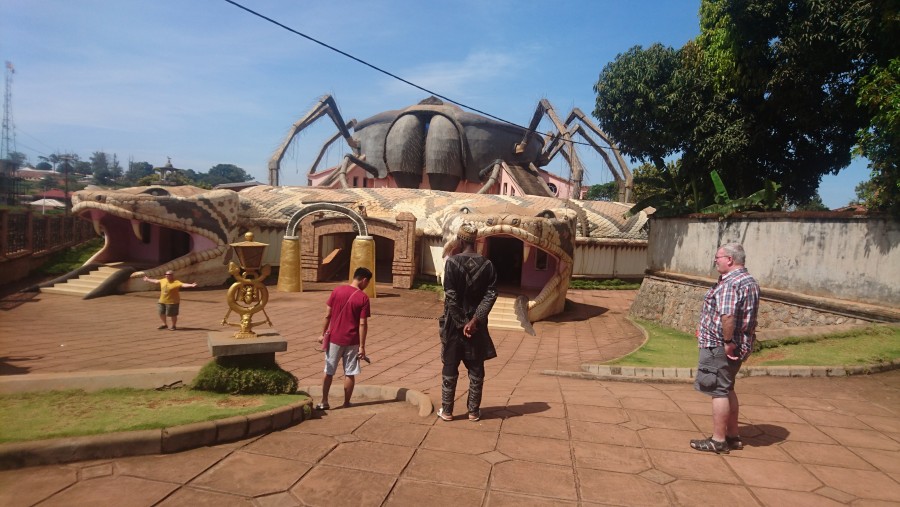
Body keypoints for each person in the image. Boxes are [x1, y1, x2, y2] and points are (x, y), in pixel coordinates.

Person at [690, 243, 760, 454]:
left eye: (718, 257)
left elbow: (727, 316)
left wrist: (727, 342)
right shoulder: (749, 281)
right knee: (727, 387)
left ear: (729, 259)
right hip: (741, 343)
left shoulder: (730, 284)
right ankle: (732, 436)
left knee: (718, 390)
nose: (715, 260)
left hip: (720, 346)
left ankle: (718, 440)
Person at [438, 223, 498, 422]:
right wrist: (473, 322)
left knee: (450, 366)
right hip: (476, 328)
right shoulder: (487, 265)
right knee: (476, 368)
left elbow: (451, 297)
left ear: (460, 239)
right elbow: (490, 295)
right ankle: (473, 411)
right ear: (476, 241)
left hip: (454, 327)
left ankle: (447, 411)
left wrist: (462, 323)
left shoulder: (452, 263)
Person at [317, 267, 372, 410]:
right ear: (364, 280)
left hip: (334, 338)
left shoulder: (337, 291)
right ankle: (346, 402)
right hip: (352, 340)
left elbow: (327, 315)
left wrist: (322, 334)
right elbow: (362, 324)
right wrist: (362, 346)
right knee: (350, 372)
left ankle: (324, 401)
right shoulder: (363, 298)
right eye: (368, 283)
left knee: (328, 371)